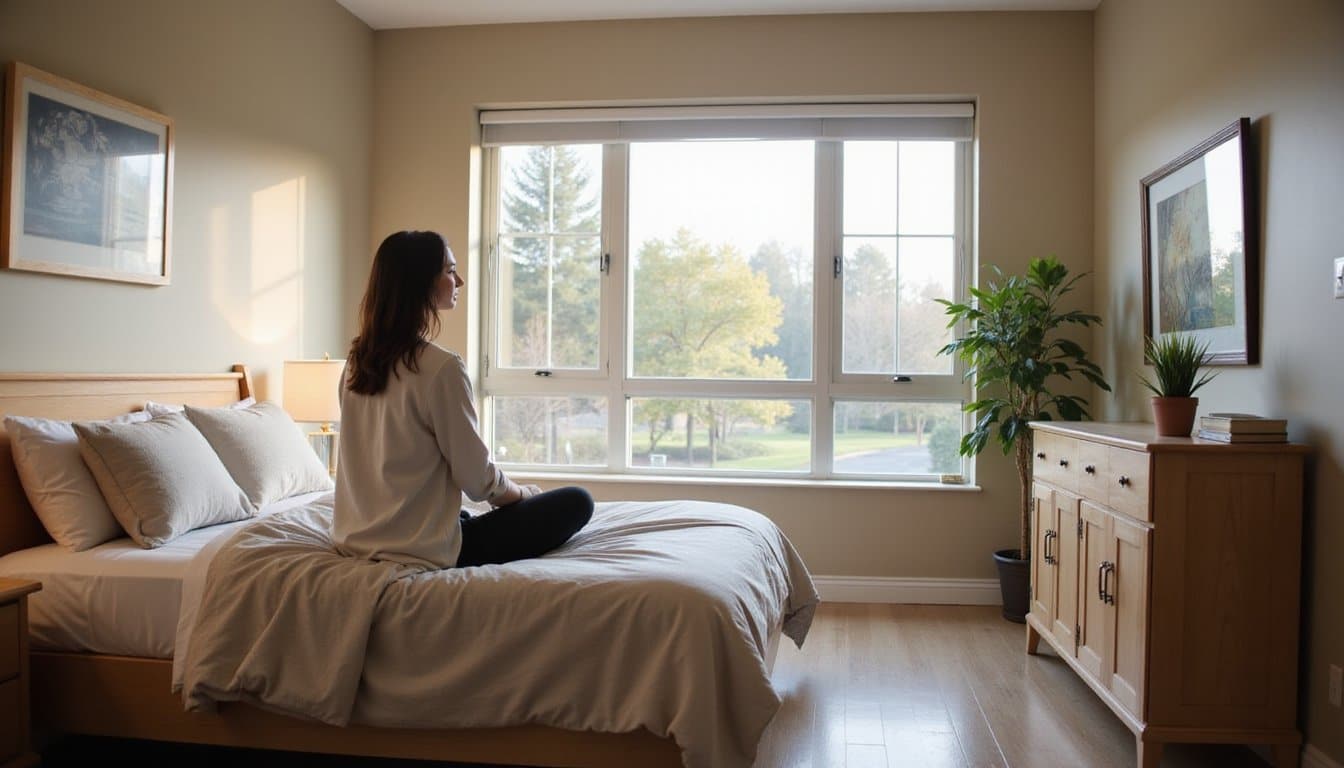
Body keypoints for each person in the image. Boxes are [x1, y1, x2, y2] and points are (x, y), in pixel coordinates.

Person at [333, 230, 593, 569]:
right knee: (577, 501)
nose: (460, 280)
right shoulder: (441, 368)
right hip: (423, 549)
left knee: (472, 513)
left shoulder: (356, 364)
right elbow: (477, 480)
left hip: (356, 541)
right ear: (421, 282)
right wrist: (524, 494)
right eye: (449, 270)